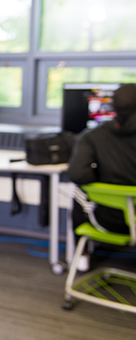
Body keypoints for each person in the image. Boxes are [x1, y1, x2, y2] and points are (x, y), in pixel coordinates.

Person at [67, 83, 136, 271]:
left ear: (111, 106)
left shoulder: (92, 136)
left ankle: (82, 256)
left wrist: (99, 175)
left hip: (107, 221)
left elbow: (77, 174)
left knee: (79, 193)